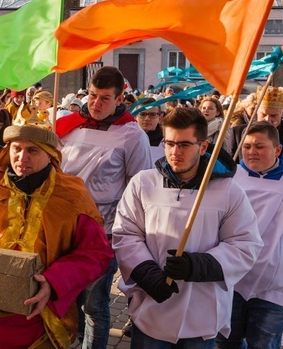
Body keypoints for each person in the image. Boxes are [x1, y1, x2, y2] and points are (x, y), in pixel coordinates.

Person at [0, 123, 112, 347]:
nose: (22, 157)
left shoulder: (72, 196)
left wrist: (52, 282)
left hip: (38, 308)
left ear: (50, 155)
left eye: (32, 150)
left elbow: (96, 252)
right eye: (16, 149)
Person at [112, 107, 263, 347]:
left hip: (201, 312)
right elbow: (126, 234)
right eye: (169, 143)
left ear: (203, 147)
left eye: (184, 145)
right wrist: (147, 273)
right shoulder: (143, 183)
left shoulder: (228, 191)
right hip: (153, 307)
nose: (174, 152)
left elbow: (245, 244)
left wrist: (198, 265)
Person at [55, 66, 151, 349]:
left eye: (105, 98)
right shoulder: (68, 125)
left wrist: (126, 231)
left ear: (119, 99)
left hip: (102, 230)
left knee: (94, 304)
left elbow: (138, 185)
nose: (95, 104)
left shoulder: (132, 135)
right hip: (64, 226)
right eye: (93, 96)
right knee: (67, 296)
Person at [215, 122, 283, 349]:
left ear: (277, 150)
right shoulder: (228, 178)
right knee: (225, 343)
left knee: (264, 344)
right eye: (247, 146)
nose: (251, 152)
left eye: (259, 146)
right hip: (230, 280)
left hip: (274, 286)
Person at [225, 86, 283, 179]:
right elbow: (230, 165)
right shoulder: (238, 132)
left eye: (273, 115)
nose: (268, 120)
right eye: (263, 114)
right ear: (256, 111)